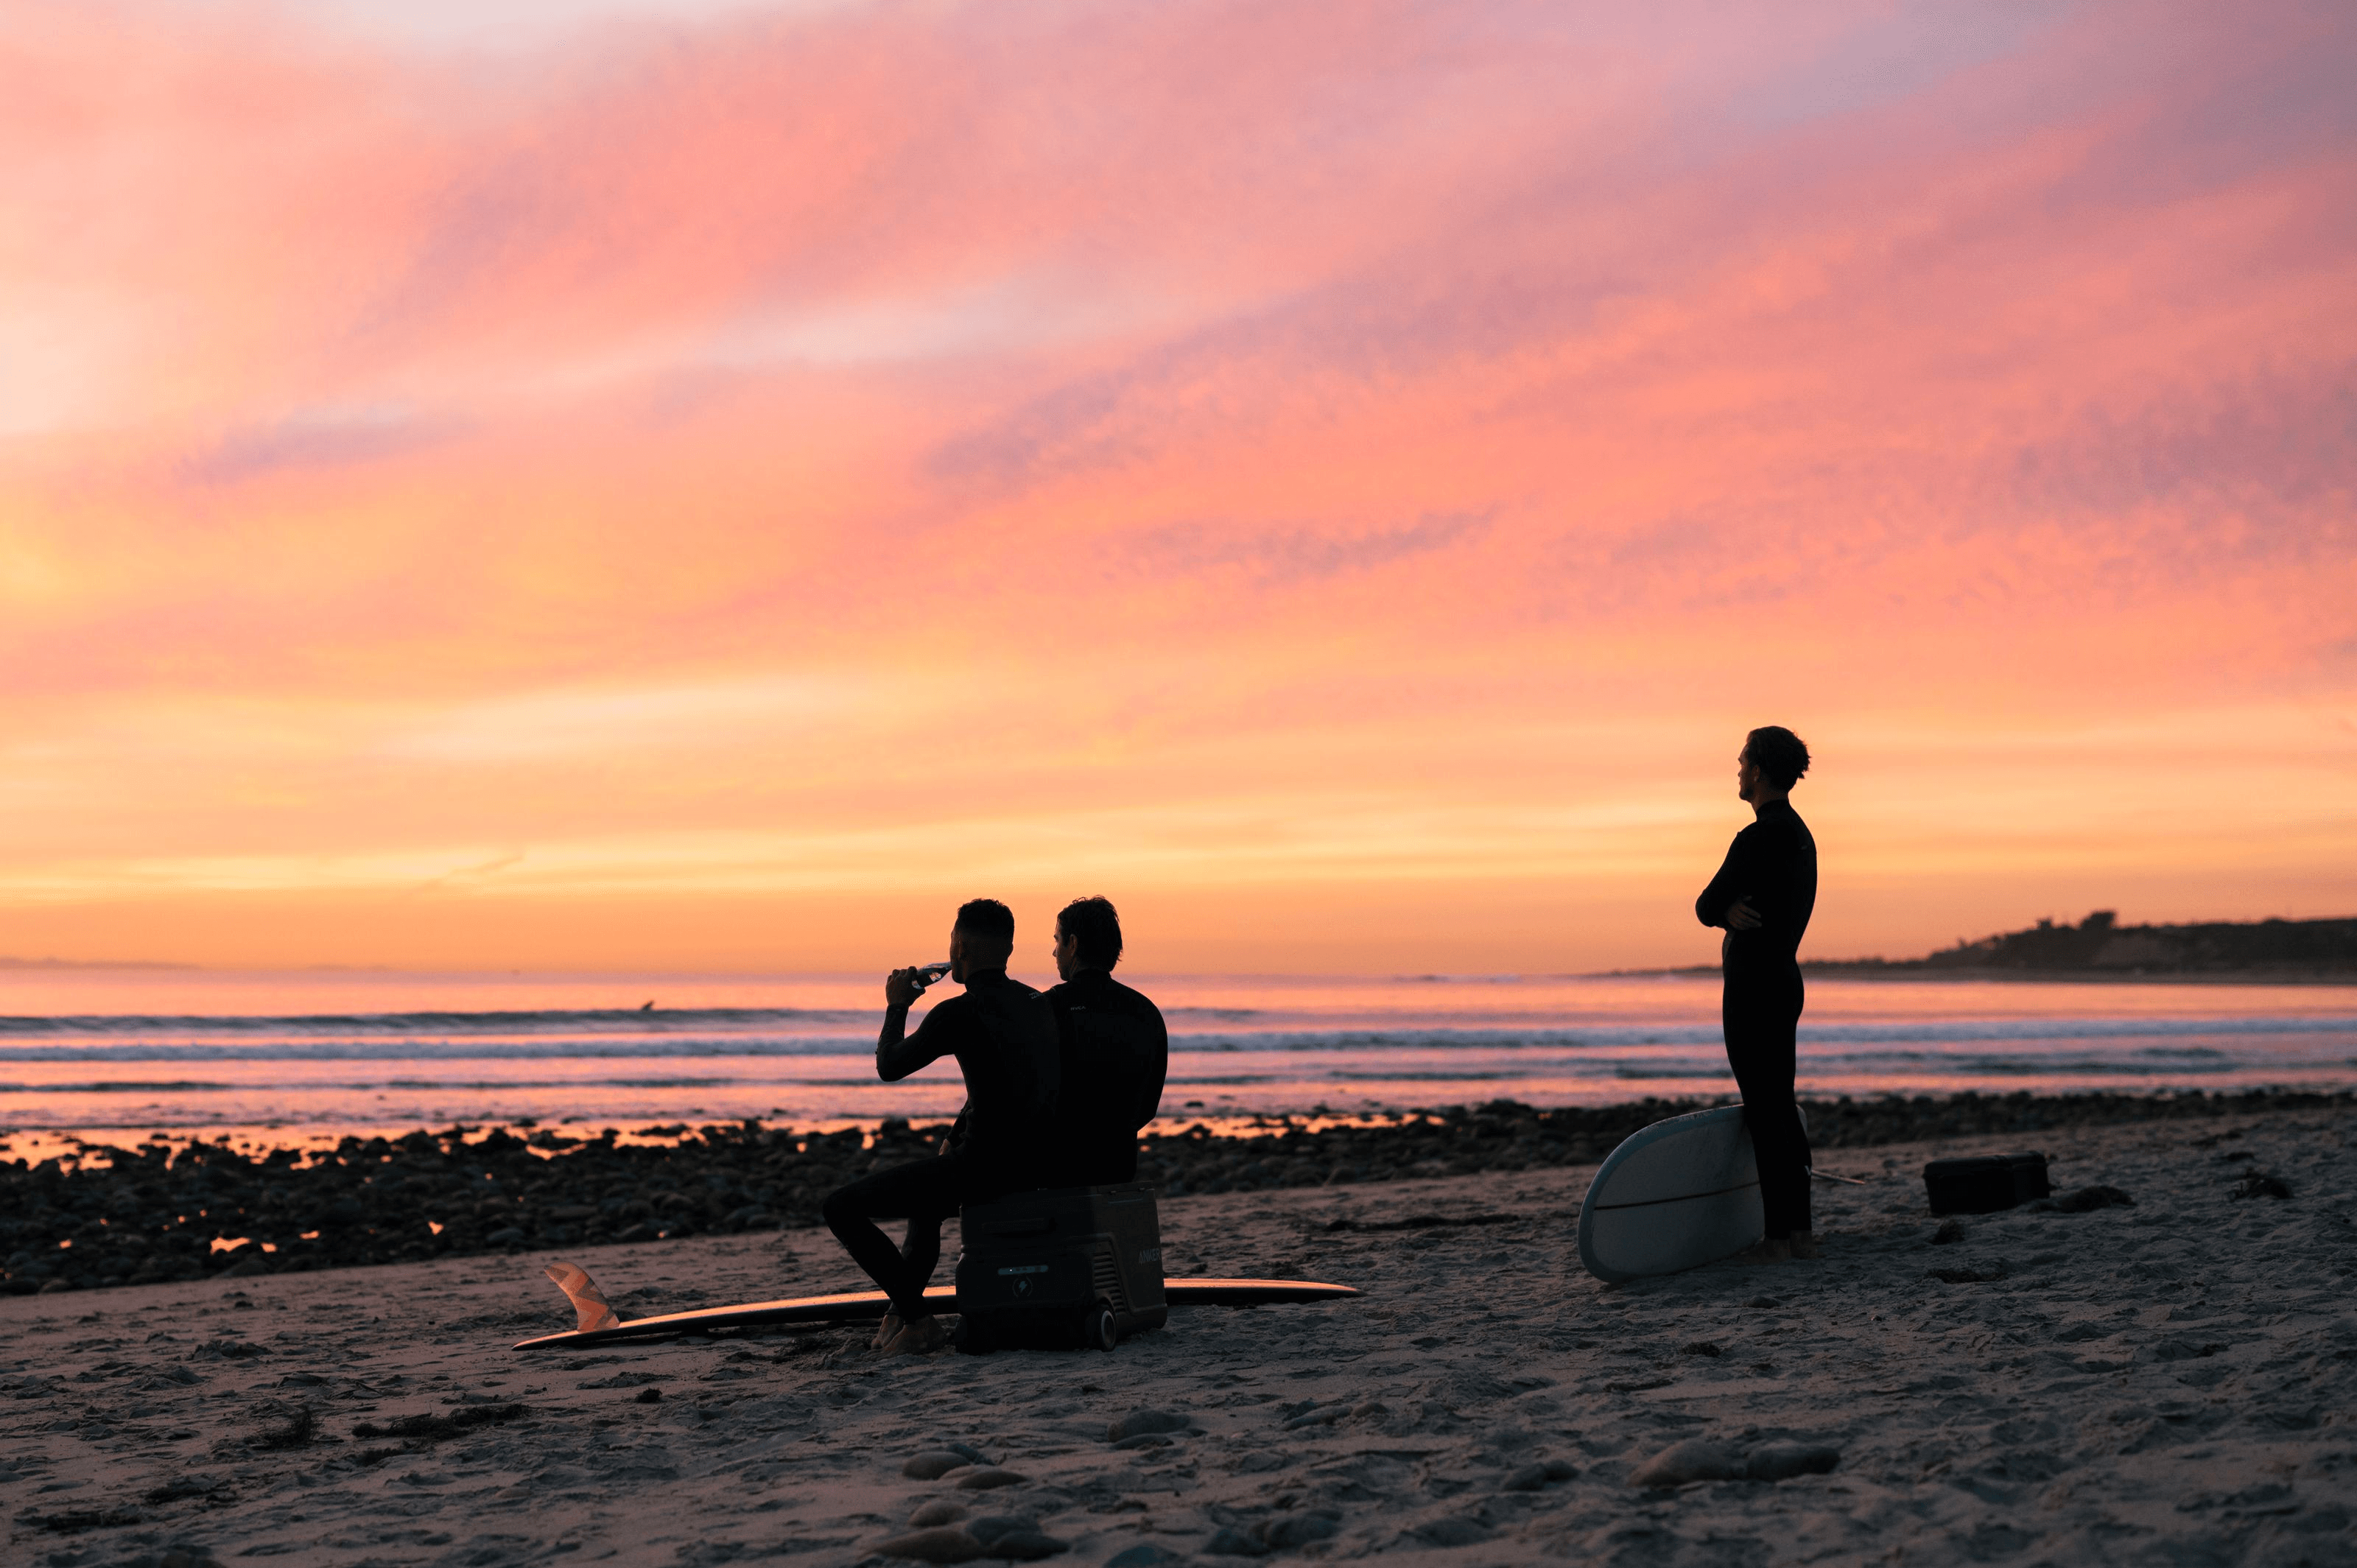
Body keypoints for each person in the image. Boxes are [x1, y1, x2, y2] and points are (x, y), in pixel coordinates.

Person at [821, 898, 1059, 1354]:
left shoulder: (959, 1012)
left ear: (959, 948)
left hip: (983, 1169)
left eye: (953, 940)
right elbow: (1009, 1081)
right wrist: (956, 1133)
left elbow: (890, 1066)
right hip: (1036, 1165)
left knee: (841, 1208)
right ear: (1008, 949)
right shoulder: (1037, 1003)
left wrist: (897, 1005)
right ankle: (899, 1318)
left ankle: (919, 1322)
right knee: (926, 1205)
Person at [1695, 725, 1819, 1261]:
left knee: (1765, 1113)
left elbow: (1704, 904)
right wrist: (1730, 910)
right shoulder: (1800, 835)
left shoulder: (1757, 837)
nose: (1739, 769)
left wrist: (1722, 911)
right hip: (1784, 979)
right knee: (1781, 1107)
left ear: (1760, 771)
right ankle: (1800, 1234)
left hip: (1752, 988)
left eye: (1744, 761)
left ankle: (1776, 1240)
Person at [1040, 896, 1168, 1185]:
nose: (1054, 951)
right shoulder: (1145, 1011)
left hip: (1056, 1167)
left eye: (1058, 940)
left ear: (1073, 944)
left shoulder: (1049, 1007)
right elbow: (1148, 1104)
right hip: (1118, 1164)